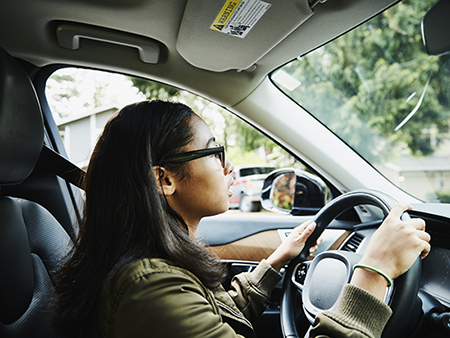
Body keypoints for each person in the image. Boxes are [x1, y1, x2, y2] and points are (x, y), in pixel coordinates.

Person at [53, 100, 430, 338]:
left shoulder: (157, 267)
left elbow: (213, 313)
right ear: (164, 179)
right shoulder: (148, 289)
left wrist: (276, 261)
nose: (228, 165)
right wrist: (373, 272)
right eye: (213, 151)